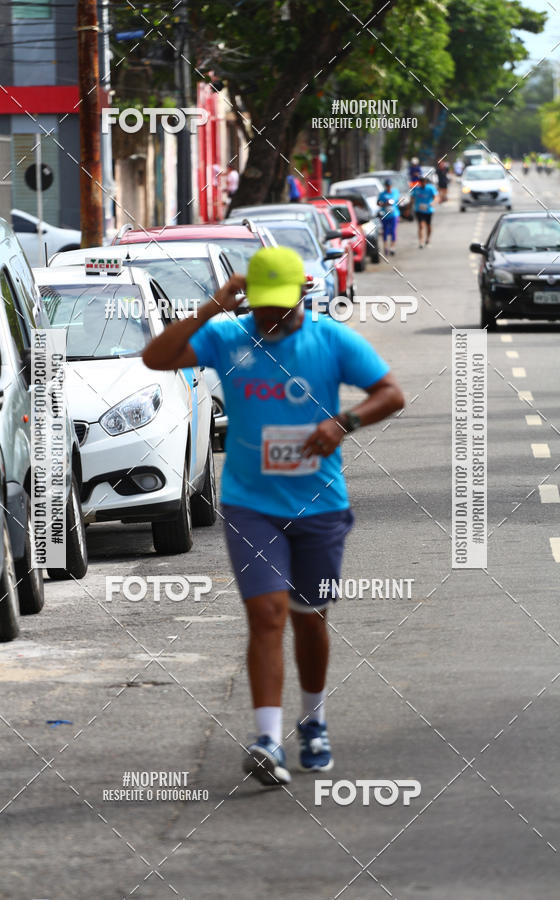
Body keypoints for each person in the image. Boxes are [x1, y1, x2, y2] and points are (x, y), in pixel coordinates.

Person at [142, 246, 404, 787]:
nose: (271, 316)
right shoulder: (227, 336)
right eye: (262, 305)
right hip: (250, 504)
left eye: (281, 306)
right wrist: (211, 306)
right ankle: (266, 740)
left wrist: (344, 423)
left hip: (319, 504)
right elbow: (156, 358)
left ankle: (313, 720)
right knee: (266, 615)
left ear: (302, 296)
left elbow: (391, 393)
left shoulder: (331, 341)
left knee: (310, 617)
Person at [411, 174, 438, 248]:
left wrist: (433, 202)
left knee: (428, 226)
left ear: (426, 181)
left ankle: (428, 239)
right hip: (419, 210)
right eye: (421, 181)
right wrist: (409, 207)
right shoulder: (416, 189)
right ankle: (421, 241)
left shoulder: (430, 188)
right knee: (420, 225)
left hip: (428, 210)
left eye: (424, 181)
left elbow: (436, 197)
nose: (422, 183)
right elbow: (412, 198)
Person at [377, 177, 401, 256]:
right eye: (387, 185)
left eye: (389, 185)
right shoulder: (382, 194)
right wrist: (384, 204)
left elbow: (398, 200)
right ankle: (385, 247)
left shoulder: (395, 192)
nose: (388, 187)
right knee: (385, 232)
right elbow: (378, 203)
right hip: (385, 215)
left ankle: (392, 247)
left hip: (394, 215)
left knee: (393, 231)